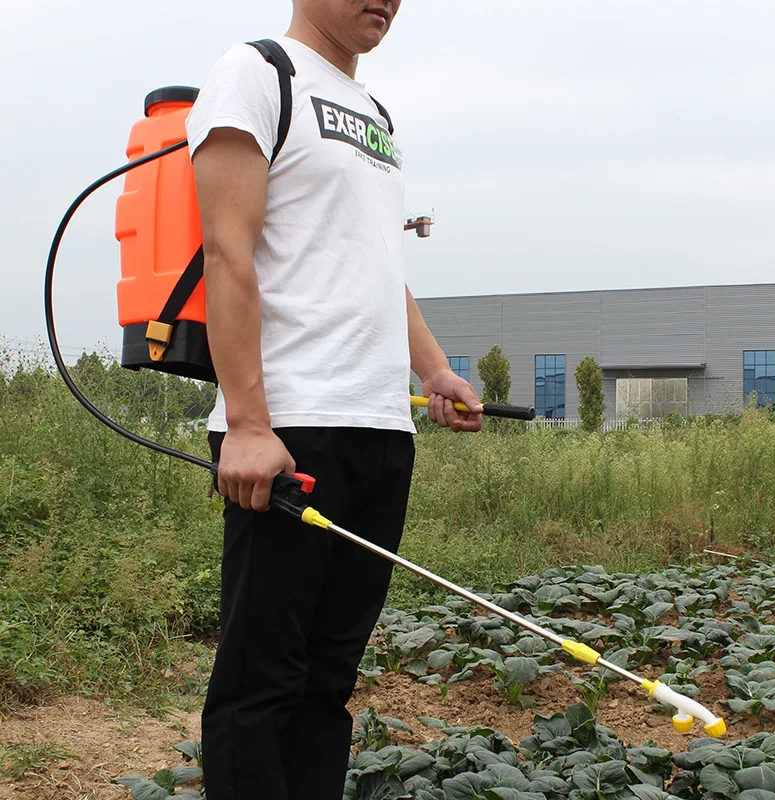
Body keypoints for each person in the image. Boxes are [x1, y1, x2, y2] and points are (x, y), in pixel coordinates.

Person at [187, 1, 482, 797]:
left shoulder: (374, 114)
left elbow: (378, 260)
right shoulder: (255, 74)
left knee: (328, 679)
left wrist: (434, 371)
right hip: (290, 430)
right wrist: (247, 424)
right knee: (262, 679)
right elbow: (227, 249)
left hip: (379, 429)